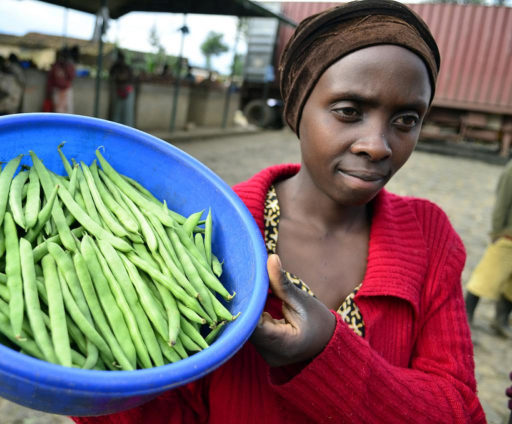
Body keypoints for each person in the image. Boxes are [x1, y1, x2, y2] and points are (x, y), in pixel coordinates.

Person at [69, 0, 485, 422]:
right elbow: (164, 405)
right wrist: (82, 374)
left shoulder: (429, 236)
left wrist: (325, 352)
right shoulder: (207, 234)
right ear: (298, 106)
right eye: (349, 111)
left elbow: (458, 410)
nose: (377, 145)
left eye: (406, 119)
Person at [465, 159, 512, 339]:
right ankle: (466, 317)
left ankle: (501, 319)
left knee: (510, 286)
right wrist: (497, 231)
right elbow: (503, 202)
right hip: (507, 235)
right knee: (485, 279)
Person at [108, 50, 135, 126]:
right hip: (119, 92)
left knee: (127, 113)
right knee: (118, 113)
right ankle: (116, 128)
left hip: (127, 91)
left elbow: (130, 79)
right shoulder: (115, 68)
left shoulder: (127, 68)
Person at [45, 47, 75, 114]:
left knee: (69, 112)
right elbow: (50, 81)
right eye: (63, 56)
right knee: (59, 111)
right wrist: (48, 94)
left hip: (67, 91)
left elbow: (71, 77)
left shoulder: (69, 66)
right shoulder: (55, 66)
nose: (63, 58)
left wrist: (66, 66)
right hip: (57, 91)